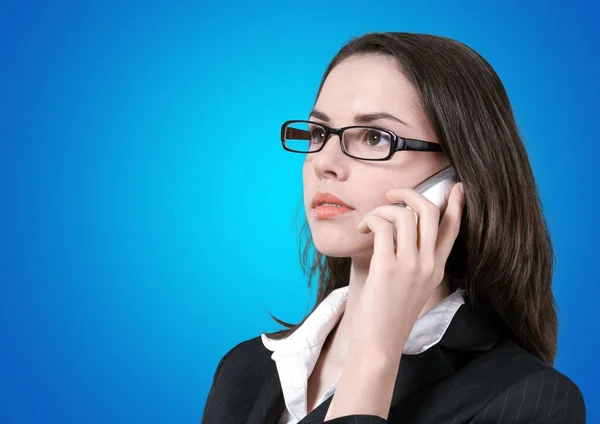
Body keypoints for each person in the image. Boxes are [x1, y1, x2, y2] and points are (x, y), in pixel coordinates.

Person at [201, 32, 586, 423]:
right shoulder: (243, 370)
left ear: (456, 178)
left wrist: (374, 356)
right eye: (319, 133)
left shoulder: (530, 399)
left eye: (373, 137)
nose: (324, 162)